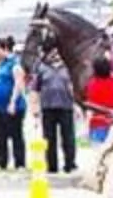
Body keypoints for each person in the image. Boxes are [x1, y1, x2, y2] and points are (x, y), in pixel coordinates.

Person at [31, 41, 78, 174]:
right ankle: (52, 166)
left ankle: (70, 164)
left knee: (68, 137)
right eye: (52, 52)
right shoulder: (41, 67)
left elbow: (74, 87)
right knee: (49, 138)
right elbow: (35, 89)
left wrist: (77, 105)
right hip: (48, 107)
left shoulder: (68, 67)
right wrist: (34, 108)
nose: (55, 55)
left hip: (65, 106)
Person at [0, 41, 27, 171]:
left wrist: (13, 102)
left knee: (16, 134)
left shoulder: (14, 64)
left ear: (5, 49)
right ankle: (2, 162)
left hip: (12, 105)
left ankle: (19, 162)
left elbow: (18, 84)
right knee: (0, 134)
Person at [80, 50, 113, 148]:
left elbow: (90, 106)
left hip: (97, 124)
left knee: (97, 154)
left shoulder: (92, 84)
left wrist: (85, 128)